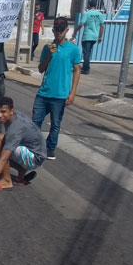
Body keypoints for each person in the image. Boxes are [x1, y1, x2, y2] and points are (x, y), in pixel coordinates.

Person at [35, 17, 82, 160]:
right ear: (53, 30)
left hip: (60, 95)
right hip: (44, 93)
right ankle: (35, 145)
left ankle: (50, 148)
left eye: (62, 30)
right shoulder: (47, 47)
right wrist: (49, 55)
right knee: (36, 121)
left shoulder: (73, 50)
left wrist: (73, 93)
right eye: (57, 30)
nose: (59, 33)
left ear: (67, 31)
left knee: (55, 124)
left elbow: (77, 70)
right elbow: (41, 69)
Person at [70, 0, 104, 75]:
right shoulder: (100, 14)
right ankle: (86, 66)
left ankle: (86, 68)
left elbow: (81, 24)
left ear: (89, 5)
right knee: (88, 51)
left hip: (87, 35)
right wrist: (100, 36)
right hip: (95, 36)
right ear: (96, 6)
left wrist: (75, 31)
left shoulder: (87, 14)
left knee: (86, 52)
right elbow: (102, 26)